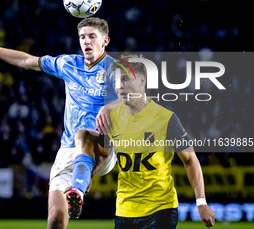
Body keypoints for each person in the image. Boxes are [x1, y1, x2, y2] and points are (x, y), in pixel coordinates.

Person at [0, 17, 119, 229]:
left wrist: (111, 106)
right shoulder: (68, 64)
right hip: (68, 149)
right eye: (82, 37)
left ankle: (80, 186)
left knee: (85, 135)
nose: (86, 42)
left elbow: (135, 97)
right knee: (55, 220)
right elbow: (26, 61)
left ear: (105, 41)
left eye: (92, 37)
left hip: (103, 145)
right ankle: (77, 188)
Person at [75, 56, 215, 229]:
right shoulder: (110, 119)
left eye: (126, 79)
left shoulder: (166, 119)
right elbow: (104, 153)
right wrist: (90, 173)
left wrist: (201, 202)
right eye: (118, 81)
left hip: (160, 209)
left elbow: (190, 160)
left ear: (142, 81)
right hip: (124, 211)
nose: (120, 86)